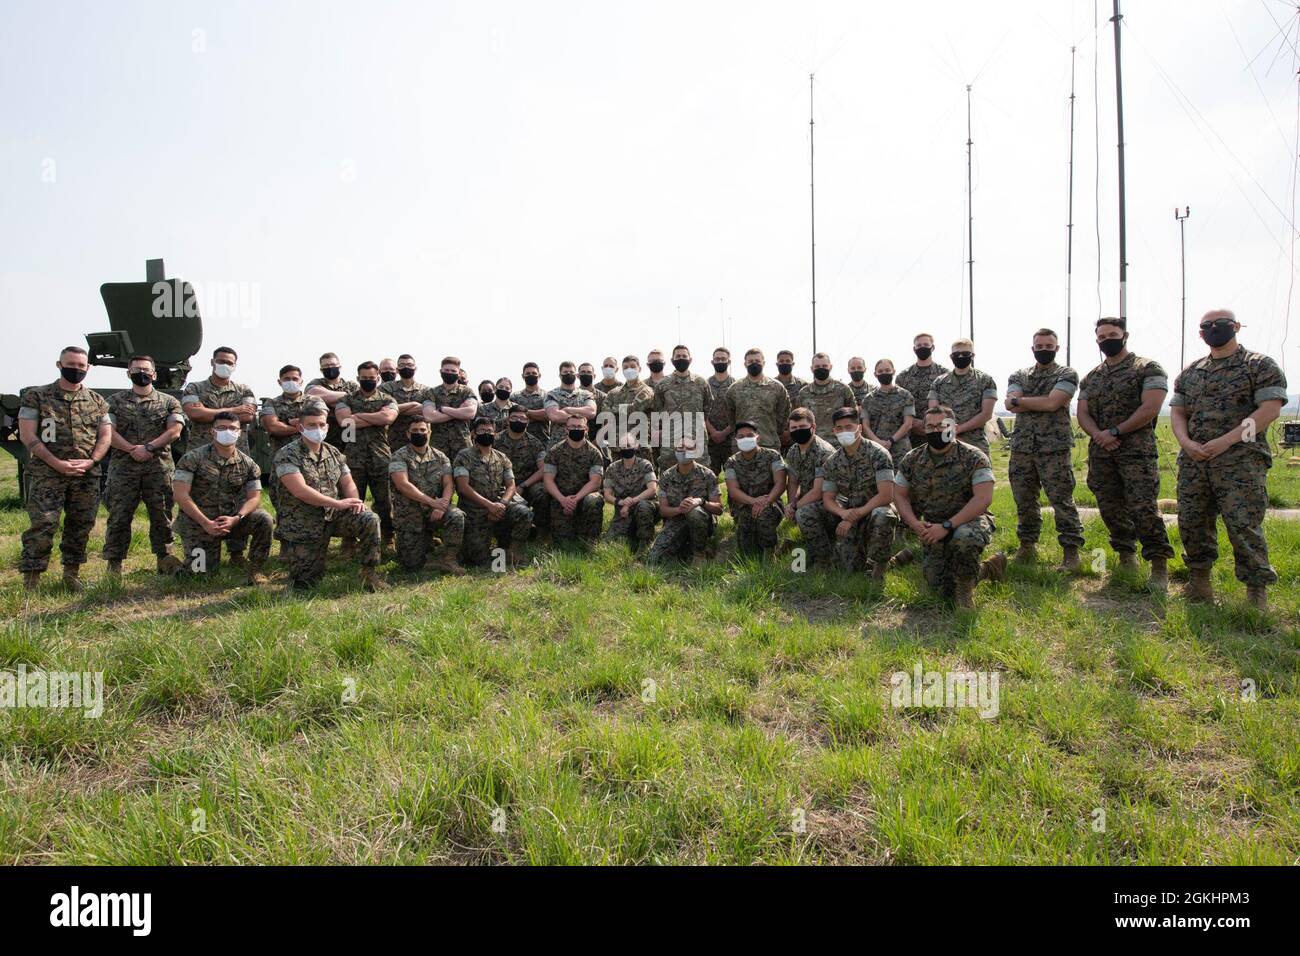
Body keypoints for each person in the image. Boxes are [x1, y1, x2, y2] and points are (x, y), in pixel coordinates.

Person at [1171, 309, 1288, 608]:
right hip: (1195, 460)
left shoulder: (1258, 365)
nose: (1214, 329)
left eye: (1220, 325)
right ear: (1200, 334)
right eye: (1207, 326)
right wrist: (1186, 443)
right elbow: (1178, 412)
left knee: (1243, 524)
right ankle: (1199, 583)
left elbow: (1269, 410)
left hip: (1240, 461)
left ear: (1236, 326)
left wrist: (1227, 441)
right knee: (1192, 521)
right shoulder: (1191, 372)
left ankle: (1256, 591)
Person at [1076, 317, 1173, 590]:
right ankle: (1126, 557)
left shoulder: (1147, 368)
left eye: (1112, 334)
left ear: (1125, 335)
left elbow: (1150, 407)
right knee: (1110, 507)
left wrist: (1115, 432)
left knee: (1143, 508)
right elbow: (1082, 412)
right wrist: (1099, 435)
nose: (1107, 340)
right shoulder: (1092, 377)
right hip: (1101, 453)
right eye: (1102, 336)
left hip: (1136, 452)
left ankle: (1158, 564)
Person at [17, 346, 112, 591]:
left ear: (88, 368)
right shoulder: (37, 396)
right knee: (43, 525)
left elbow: (105, 437)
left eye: (81, 366)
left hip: (85, 476)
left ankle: (71, 576)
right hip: (47, 474)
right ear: (59, 365)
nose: (76, 369)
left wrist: (92, 462)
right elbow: (28, 435)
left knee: (81, 525)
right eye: (71, 364)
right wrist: (56, 463)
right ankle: (32, 581)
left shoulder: (97, 401)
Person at [893, 406, 1006, 607]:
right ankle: (989, 568)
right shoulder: (912, 459)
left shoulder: (973, 456)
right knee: (938, 586)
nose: (936, 430)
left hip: (970, 520)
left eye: (942, 425)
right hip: (933, 526)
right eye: (931, 426)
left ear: (953, 427)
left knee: (964, 538)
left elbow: (983, 498)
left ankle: (965, 592)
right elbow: (899, 495)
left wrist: (946, 526)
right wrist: (915, 525)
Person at [273, 401, 387, 591]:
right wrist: (337, 503)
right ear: (300, 427)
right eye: (311, 425)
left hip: (333, 515)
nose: (318, 429)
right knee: (305, 583)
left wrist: (355, 502)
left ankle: (369, 573)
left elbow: (348, 482)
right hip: (303, 521)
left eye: (321, 424)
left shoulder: (333, 452)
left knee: (369, 518)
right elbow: (299, 490)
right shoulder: (287, 455)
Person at [1004, 329, 1083, 570]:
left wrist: (1024, 401)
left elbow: (1052, 403)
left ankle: (1071, 554)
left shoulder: (1066, 373)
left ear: (1057, 348)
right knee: (1024, 500)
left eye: (1049, 346)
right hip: (1022, 448)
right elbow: (1009, 404)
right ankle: (1027, 546)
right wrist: (1034, 401)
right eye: (1039, 346)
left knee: (1061, 500)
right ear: (1032, 348)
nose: (1044, 350)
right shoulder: (1019, 374)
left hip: (1054, 448)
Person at [102, 355, 186, 578]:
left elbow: (175, 431)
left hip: (157, 467)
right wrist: (131, 449)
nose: (142, 373)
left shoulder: (169, 401)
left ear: (154, 374)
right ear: (128, 373)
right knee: (119, 515)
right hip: (123, 467)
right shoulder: (114, 401)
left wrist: (148, 448)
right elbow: (108, 432)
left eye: (146, 369)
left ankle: (165, 560)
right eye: (137, 369)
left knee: (161, 514)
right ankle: (114, 565)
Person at [172, 412, 273, 585]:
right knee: (199, 576)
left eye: (233, 428)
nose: (228, 431)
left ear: (240, 432)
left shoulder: (248, 464)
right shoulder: (192, 458)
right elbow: (180, 495)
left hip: (231, 521)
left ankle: (255, 570)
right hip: (199, 524)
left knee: (264, 518)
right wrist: (205, 523)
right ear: (212, 431)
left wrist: (237, 518)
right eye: (222, 428)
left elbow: (254, 498)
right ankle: (172, 565)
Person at [818, 407, 897, 578]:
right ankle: (895, 560)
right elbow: (828, 499)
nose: (844, 431)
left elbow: (886, 495)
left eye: (849, 427)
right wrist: (843, 513)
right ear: (834, 431)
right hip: (849, 512)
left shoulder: (878, 454)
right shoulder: (832, 462)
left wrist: (854, 515)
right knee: (849, 569)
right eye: (839, 428)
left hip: (874, 510)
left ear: (859, 428)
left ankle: (880, 569)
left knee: (884, 515)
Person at [454, 417, 534, 567]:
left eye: (489, 431)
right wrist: (489, 506)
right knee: (476, 560)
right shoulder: (463, 456)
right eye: (482, 431)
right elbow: (463, 487)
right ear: (473, 434)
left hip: (499, 506)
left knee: (524, 513)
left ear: (495, 434)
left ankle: (513, 551)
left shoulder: (502, 457)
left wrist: (502, 504)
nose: (486, 433)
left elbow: (511, 485)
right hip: (474, 510)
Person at [388, 418, 465, 574]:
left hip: (435, 510)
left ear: (429, 432)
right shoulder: (399, 456)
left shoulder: (441, 456)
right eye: (415, 431)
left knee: (456, 515)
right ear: (408, 434)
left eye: (423, 430)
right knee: (411, 566)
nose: (419, 433)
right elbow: (403, 485)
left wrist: (443, 505)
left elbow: (448, 484)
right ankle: (424, 544)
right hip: (409, 513)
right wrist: (432, 502)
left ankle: (448, 559)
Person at [336, 361, 398, 549]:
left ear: (378, 378)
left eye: (372, 378)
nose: (368, 381)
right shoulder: (346, 399)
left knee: (385, 501)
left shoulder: (388, 400)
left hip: (381, 457)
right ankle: (349, 541)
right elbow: (345, 422)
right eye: (364, 378)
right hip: (354, 457)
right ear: (358, 378)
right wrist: (375, 417)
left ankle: (388, 537)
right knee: (353, 500)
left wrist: (359, 416)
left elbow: (388, 417)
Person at [647, 437, 722, 565]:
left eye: (688, 448)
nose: (684, 451)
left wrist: (701, 502)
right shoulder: (667, 476)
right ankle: (686, 548)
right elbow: (663, 510)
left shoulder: (707, 474)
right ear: (675, 451)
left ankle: (700, 553)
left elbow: (719, 508)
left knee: (694, 511)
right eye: (680, 448)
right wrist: (679, 509)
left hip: (702, 522)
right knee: (654, 558)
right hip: (676, 520)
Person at [723, 421, 787, 557]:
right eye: (741, 436)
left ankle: (771, 553)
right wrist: (753, 501)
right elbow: (733, 490)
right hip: (744, 505)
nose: (745, 438)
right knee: (747, 550)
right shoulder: (731, 462)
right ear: (736, 440)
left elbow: (780, 483)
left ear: (757, 437)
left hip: (771, 503)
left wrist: (766, 502)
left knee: (763, 517)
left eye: (749, 435)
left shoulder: (773, 456)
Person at [784, 407, 837, 568]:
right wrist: (790, 502)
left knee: (804, 513)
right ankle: (812, 550)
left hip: (831, 501)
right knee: (800, 511)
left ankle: (824, 559)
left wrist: (796, 506)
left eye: (802, 427)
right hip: (810, 498)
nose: (797, 431)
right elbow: (793, 481)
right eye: (793, 428)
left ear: (813, 427)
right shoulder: (793, 451)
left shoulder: (824, 452)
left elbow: (819, 491)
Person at [180, 346, 258, 455]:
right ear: (212, 362)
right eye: (221, 361)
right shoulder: (194, 388)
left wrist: (206, 412)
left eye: (229, 363)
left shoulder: (244, 390)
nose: (225, 365)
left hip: (236, 454)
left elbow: (247, 416)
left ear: (234, 366)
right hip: (200, 453)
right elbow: (195, 414)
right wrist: (234, 410)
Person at [542, 413, 606, 545]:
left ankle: (590, 540)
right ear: (566, 429)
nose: (576, 429)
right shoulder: (555, 451)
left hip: (583, 498)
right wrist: (563, 500)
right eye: (572, 426)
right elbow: (548, 480)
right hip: (561, 498)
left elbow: (595, 482)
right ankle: (543, 533)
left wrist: (575, 499)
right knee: (562, 543)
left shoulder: (594, 453)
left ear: (586, 429)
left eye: (579, 426)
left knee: (594, 500)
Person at [928, 338, 996, 457]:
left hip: (975, 443)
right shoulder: (939, 382)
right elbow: (934, 412)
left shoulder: (986, 381)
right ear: (951, 356)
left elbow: (986, 414)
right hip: (944, 441)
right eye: (956, 354)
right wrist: (950, 432)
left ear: (972, 355)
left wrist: (958, 429)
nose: (960, 357)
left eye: (965, 354)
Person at [651, 345, 713, 470]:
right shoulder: (663, 384)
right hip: (671, 439)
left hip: (696, 437)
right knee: (669, 473)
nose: (681, 358)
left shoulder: (701, 382)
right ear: (672, 360)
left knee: (700, 472)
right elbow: (657, 409)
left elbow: (707, 406)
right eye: (678, 356)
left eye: (684, 356)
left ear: (690, 360)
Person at [496, 403, 550, 539]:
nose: (518, 421)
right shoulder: (496, 440)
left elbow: (543, 469)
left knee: (543, 492)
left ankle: (541, 532)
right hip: (501, 486)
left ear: (528, 421)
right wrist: (510, 488)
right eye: (514, 417)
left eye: (522, 418)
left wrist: (522, 486)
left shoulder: (535, 443)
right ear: (508, 420)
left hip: (526, 485)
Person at [723, 349, 792, 453]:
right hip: (742, 445)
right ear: (745, 364)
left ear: (763, 363)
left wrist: (773, 432)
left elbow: (784, 413)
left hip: (769, 444)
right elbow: (730, 416)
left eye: (757, 361)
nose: (754, 364)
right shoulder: (734, 389)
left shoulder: (777, 387)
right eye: (750, 361)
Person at [603, 434, 659, 551]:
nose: (626, 448)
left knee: (643, 507)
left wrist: (631, 502)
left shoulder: (645, 465)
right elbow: (607, 495)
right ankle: (631, 534)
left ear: (636, 446)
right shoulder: (612, 468)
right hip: (623, 511)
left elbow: (652, 489)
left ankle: (645, 544)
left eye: (629, 445)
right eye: (623, 446)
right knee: (609, 543)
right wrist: (620, 502)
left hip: (644, 508)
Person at [422, 355, 478, 461]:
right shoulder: (431, 392)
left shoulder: (467, 391)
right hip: (438, 448)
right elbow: (430, 417)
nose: (449, 373)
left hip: (463, 447)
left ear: (458, 373)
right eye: (446, 370)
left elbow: (470, 413)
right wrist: (458, 412)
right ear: (440, 371)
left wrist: (443, 409)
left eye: (453, 371)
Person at [605, 356, 657, 468]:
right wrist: (622, 409)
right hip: (617, 446)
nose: (629, 369)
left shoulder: (646, 390)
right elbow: (605, 412)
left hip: (639, 446)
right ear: (622, 370)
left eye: (633, 366)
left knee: (644, 479)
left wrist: (614, 408)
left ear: (640, 369)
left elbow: (635, 408)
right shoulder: (614, 392)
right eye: (626, 367)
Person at [860, 359, 915, 466]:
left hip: (900, 450)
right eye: (880, 371)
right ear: (875, 374)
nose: (884, 373)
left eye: (887, 370)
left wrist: (891, 441)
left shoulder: (906, 396)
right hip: (875, 449)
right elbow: (865, 425)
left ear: (893, 371)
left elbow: (908, 423)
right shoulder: (868, 399)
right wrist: (878, 442)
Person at [896, 333, 948, 444]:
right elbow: (898, 406)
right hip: (910, 434)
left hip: (938, 432)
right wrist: (914, 423)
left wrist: (930, 424)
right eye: (919, 345)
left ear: (932, 347)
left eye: (926, 344)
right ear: (914, 349)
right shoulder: (903, 376)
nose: (922, 347)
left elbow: (949, 405)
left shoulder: (944, 374)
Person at [798, 352, 857, 440]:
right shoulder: (804, 393)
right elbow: (800, 420)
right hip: (813, 443)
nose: (821, 369)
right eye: (817, 366)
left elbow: (854, 417)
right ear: (812, 368)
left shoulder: (843, 389)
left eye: (824, 366)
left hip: (839, 442)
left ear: (830, 367)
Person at [305, 352, 357, 449]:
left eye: (333, 365)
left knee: (349, 459)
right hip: (326, 434)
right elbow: (313, 395)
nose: (330, 367)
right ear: (321, 369)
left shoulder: (351, 385)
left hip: (349, 431)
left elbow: (358, 402)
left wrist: (330, 399)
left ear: (339, 367)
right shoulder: (316, 383)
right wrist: (347, 397)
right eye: (326, 366)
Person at [542, 361, 597, 447]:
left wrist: (568, 409)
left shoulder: (586, 394)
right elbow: (554, 415)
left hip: (582, 445)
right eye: (565, 372)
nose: (568, 374)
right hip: (557, 445)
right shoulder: (551, 394)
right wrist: (579, 421)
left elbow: (591, 412)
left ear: (576, 375)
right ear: (560, 375)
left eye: (571, 372)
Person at [381, 354, 427, 452]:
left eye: (410, 365)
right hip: (392, 441)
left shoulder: (426, 390)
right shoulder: (386, 388)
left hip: (418, 440)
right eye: (402, 365)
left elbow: (428, 410)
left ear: (415, 368)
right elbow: (383, 411)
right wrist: (414, 404)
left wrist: (395, 410)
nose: (406, 367)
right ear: (397, 370)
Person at [705, 347, 736, 474]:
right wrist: (713, 432)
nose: (720, 361)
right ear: (712, 362)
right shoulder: (704, 384)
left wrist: (724, 433)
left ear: (729, 362)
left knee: (733, 477)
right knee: (709, 478)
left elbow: (739, 412)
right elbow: (700, 411)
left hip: (731, 440)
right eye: (717, 359)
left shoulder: (737, 385)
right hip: (710, 442)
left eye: (723, 359)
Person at [510, 361, 550, 444]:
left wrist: (523, 413)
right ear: (522, 376)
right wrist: (538, 415)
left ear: (539, 375)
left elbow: (547, 414)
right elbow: (511, 417)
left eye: (534, 373)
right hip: (518, 443)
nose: (531, 375)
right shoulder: (514, 396)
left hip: (542, 441)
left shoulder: (547, 395)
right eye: (527, 373)